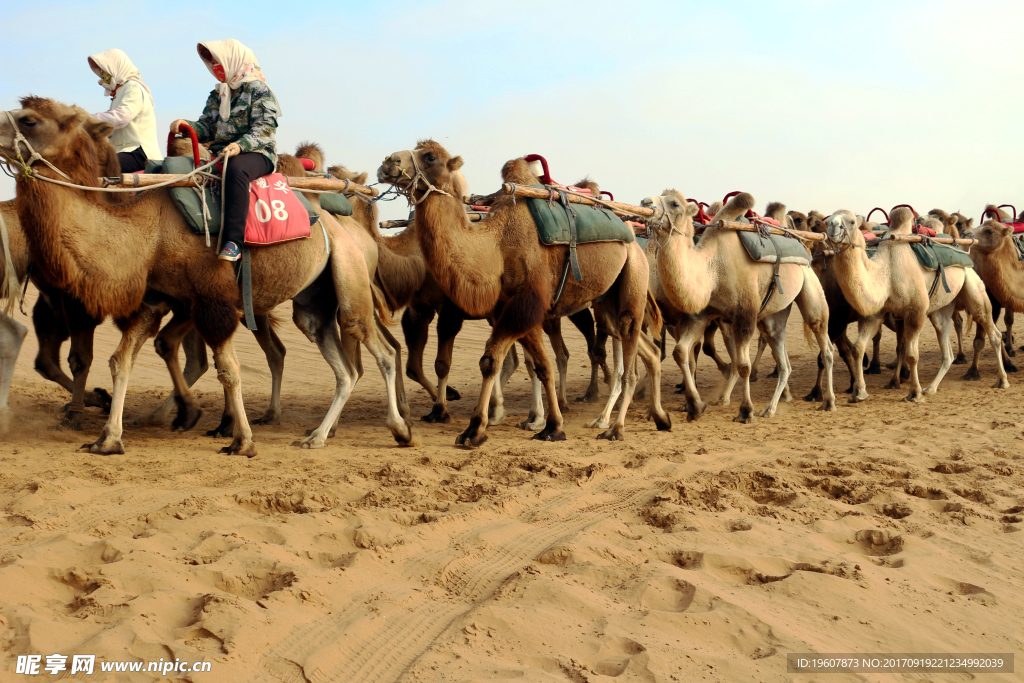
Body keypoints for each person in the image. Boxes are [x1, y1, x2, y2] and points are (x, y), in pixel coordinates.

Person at [170, 39, 280, 262]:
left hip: (258, 153)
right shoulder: (218, 94)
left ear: (233, 61)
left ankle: (234, 241)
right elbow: (207, 127)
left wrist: (241, 146)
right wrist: (186, 125)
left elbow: (266, 128)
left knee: (236, 169)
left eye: (218, 62)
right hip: (222, 153)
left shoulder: (259, 90)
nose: (215, 68)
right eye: (212, 64)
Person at [89, 49, 162, 173]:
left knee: (98, 169)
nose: (103, 75)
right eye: (101, 72)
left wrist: (86, 119)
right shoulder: (119, 93)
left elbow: (122, 117)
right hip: (124, 152)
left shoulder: (132, 87)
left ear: (116, 67)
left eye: (106, 70)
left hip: (139, 153)